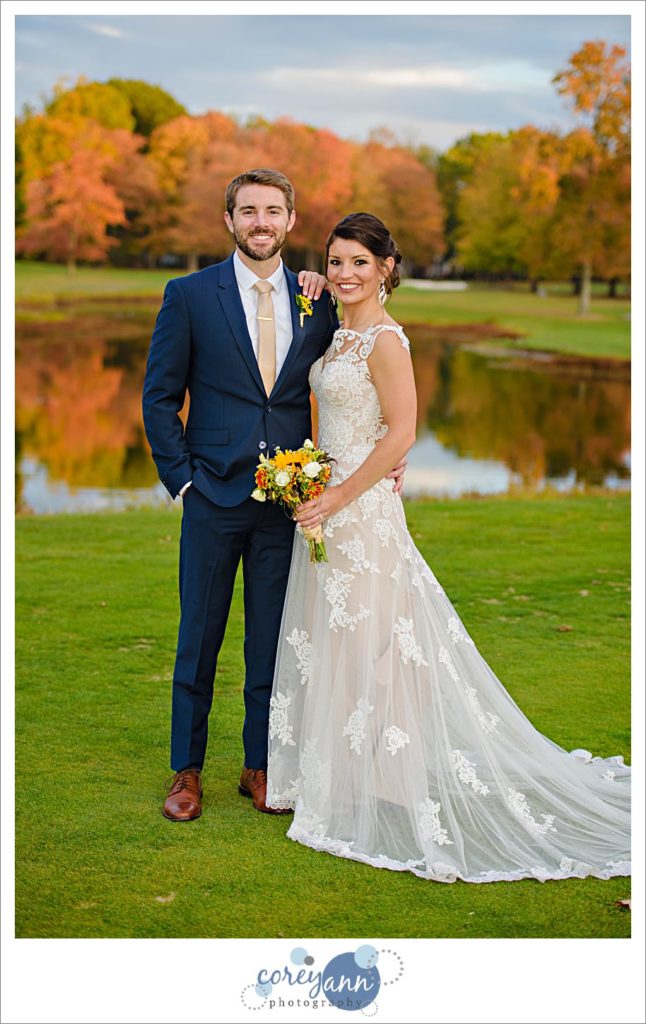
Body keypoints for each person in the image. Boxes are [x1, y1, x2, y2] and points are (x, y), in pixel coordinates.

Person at [266, 212, 631, 884]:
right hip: (324, 501)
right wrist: (313, 483)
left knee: (379, 643)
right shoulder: (338, 329)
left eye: (358, 262)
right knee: (339, 638)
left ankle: (391, 784)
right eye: (336, 260)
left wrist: (341, 496)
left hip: (360, 508)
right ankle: (343, 777)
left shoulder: (385, 341)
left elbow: (402, 435)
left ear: (386, 269)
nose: (345, 273)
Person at [142, 170, 407, 822]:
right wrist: (182, 481)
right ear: (229, 219)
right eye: (249, 211)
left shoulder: (315, 297)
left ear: (291, 221)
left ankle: (259, 766)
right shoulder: (189, 295)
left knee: (272, 640)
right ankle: (187, 771)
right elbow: (158, 398)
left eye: (274, 211)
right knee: (197, 639)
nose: (261, 222)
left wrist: (385, 457)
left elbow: (368, 380)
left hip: (288, 506)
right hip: (211, 496)